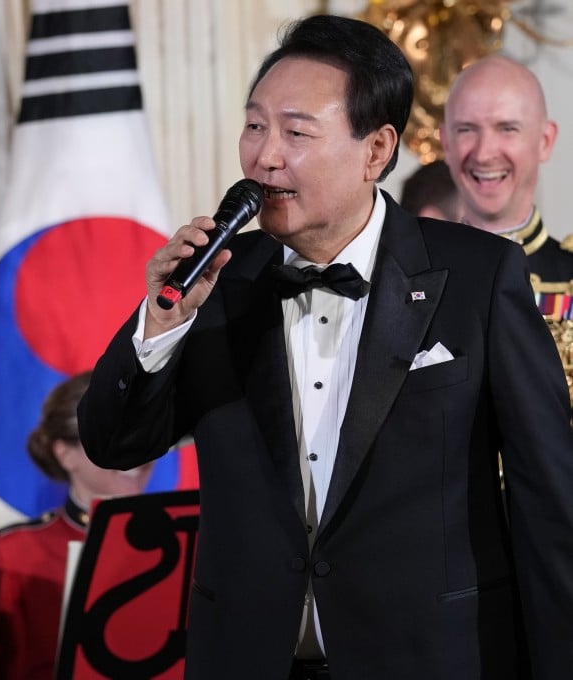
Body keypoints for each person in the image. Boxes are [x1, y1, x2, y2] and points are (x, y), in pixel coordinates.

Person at [77, 14, 573, 680]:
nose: (265, 156)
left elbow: (548, 503)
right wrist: (161, 324)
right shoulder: (220, 285)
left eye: (296, 132)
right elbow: (113, 445)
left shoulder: (479, 277)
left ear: (376, 151)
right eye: (255, 126)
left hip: (429, 659)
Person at [0, 371, 153, 680]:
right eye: (115, 434)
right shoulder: (13, 551)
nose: (137, 452)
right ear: (65, 454)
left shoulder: (183, 545)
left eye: (143, 434)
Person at [441, 54, 573, 281]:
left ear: (545, 141)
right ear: (446, 143)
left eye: (507, 129)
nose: (484, 154)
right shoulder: (409, 280)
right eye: (466, 129)